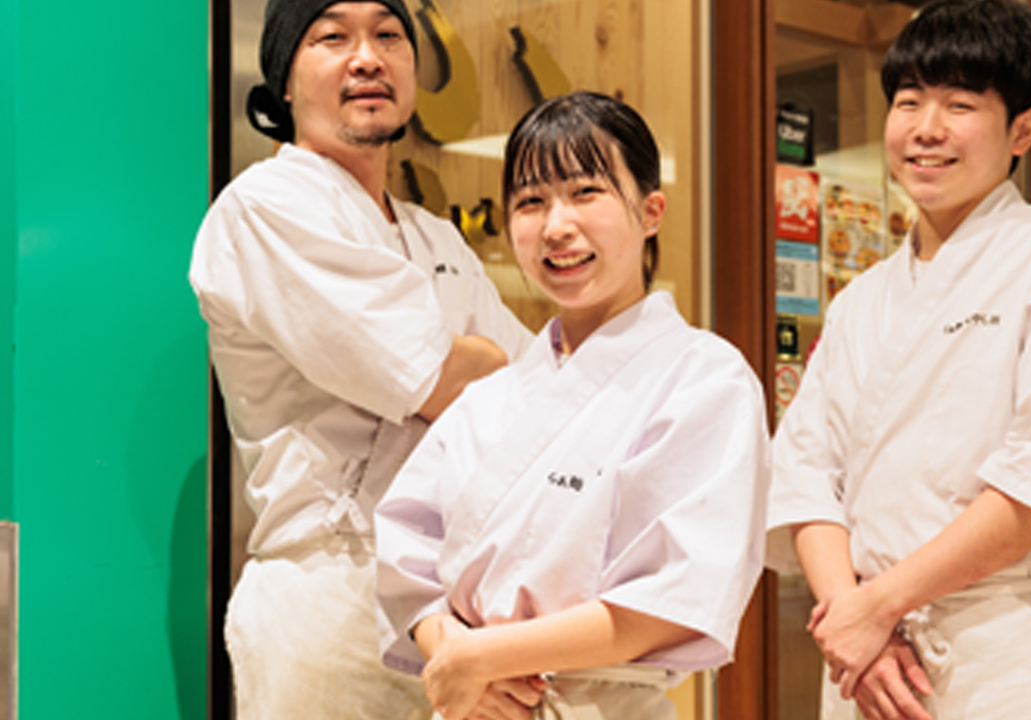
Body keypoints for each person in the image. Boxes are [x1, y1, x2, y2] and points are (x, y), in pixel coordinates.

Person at [766, 2, 1031, 719]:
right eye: (908, 101)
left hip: (1006, 657)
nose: (926, 128)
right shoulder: (859, 301)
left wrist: (879, 605)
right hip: (865, 665)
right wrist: (852, 614)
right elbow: (803, 475)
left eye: (960, 104)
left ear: (1023, 130)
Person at [375, 91, 770, 720]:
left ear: (650, 211)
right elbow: (407, 547)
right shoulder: (491, 397)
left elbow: (674, 589)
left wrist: (486, 657)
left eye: (586, 192)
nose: (557, 226)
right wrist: (449, 647)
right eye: (531, 202)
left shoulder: (705, 377)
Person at [188, 0, 532, 717]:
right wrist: (470, 360)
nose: (368, 57)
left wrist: (478, 362)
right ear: (284, 80)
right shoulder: (264, 206)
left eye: (388, 35)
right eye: (332, 37)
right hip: (331, 594)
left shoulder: (434, 237)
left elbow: (533, 396)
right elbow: (425, 376)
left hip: (453, 601)